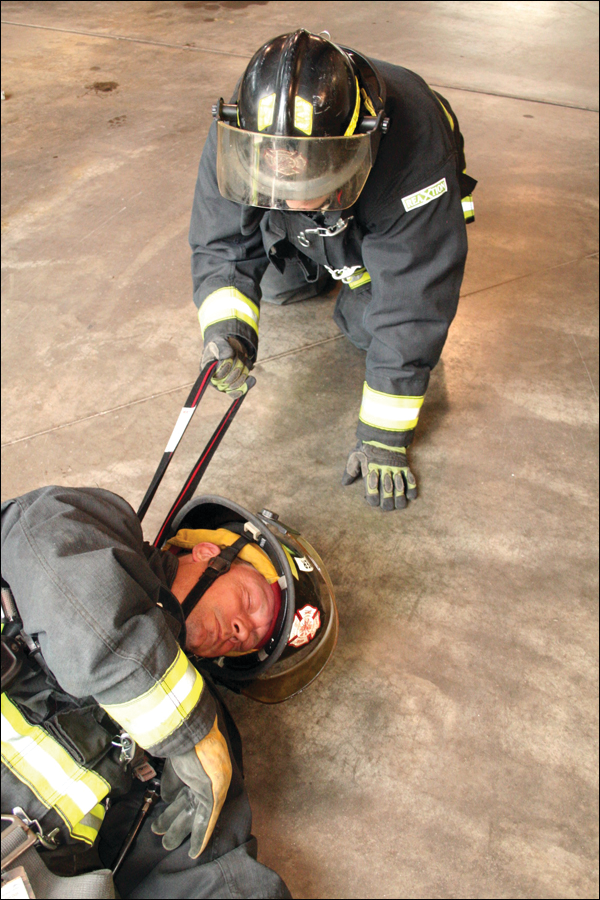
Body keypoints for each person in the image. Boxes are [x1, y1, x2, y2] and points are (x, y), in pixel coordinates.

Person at [1, 485, 338, 899]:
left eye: (250, 641)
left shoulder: (207, 726)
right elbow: (56, 561)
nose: (241, 631)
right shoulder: (98, 523)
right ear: (209, 553)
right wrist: (181, 727)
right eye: (250, 601)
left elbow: (211, 869)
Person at [190, 29, 477, 512]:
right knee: (277, 288)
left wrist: (384, 435)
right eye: (278, 185)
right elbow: (221, 240)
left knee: (367, 328)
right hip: (330, 203)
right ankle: (322, 250)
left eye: (308, 182)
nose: (292, 200)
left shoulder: (414, 149)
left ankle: (351, 266)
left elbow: (414, 301)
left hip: (383, 202)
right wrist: (228, 331)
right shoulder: (247, 125)